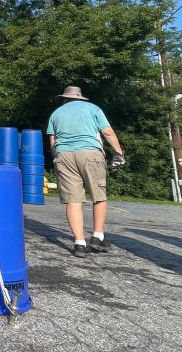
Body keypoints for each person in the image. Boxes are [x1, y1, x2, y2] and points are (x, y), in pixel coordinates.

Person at [46, 86, 124, 258]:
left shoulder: (56, 114)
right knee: (98, 195)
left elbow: (53, 140)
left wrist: (56, 157)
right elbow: (107, 132)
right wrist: (118, 152)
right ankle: (97, 235)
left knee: (73, 200)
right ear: (80, 98)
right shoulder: (93, 108)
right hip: (90, 153)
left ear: (65, 99)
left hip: (64, 155)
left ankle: (79, 243)